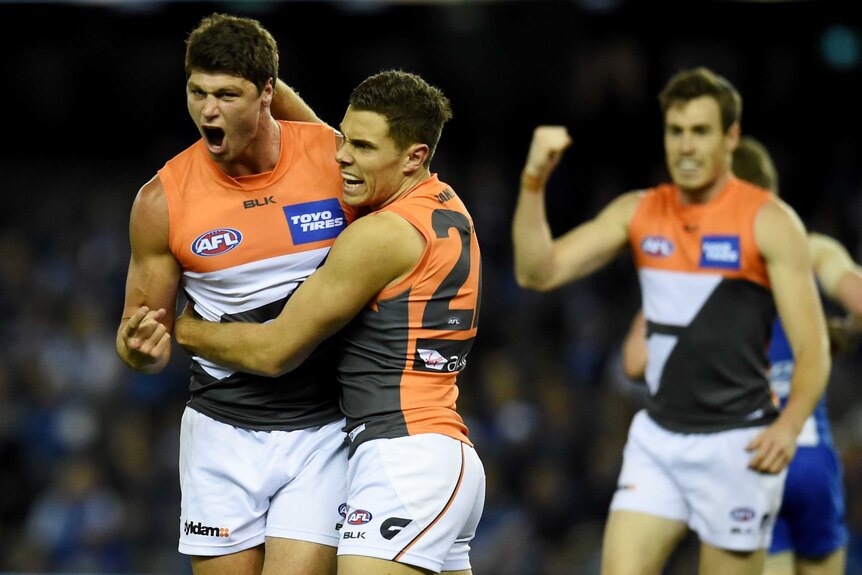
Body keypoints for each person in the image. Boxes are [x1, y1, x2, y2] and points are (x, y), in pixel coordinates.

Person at [136, 70, 486, 575]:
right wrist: (262, 88)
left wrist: (181, 326)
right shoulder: (439, 205)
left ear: (414, 155)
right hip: (437, 456)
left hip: (403, 455)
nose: (340, 154)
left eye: (361, 146)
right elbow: (342, 142)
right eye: (344, 139)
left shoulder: (378, 236)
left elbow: (274, 351)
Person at [512, 67, 831, 575]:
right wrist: (533, 181)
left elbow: (812, 347)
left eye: (700, 131)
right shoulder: (638, 211)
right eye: (675, 131)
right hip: (658, 437)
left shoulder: (769, 222)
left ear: (730, 138)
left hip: (737, 443)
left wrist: (790, 427)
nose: (685, 145)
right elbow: (537, 272)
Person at [115, 13, 357, 575]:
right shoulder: (161, 201)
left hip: (321, 429)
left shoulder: (330, 156)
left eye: (227, 94)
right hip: (222, 434)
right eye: (197, 92)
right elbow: (139, 341)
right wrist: (139, 349)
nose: (208, 110)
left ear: (268, 93)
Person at [622, 136, 855, 575]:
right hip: (809, 456)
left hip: (751, 458)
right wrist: (837, 331)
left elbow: (635, 361)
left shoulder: (690, 267)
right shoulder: (808, 248)